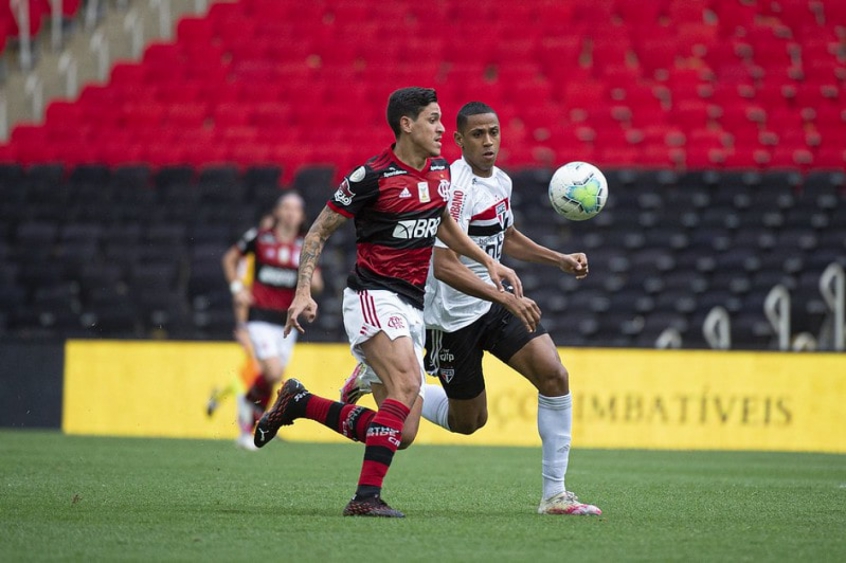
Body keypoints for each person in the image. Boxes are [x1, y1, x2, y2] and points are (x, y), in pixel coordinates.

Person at [252, 87, 522, 518]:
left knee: (403, 430)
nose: (440, 129)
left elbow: (444, 227)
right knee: (407, 385)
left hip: (412, 307)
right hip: (373, 295)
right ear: (406, 125)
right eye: (433, 120)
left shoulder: (439, 169)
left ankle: (300, 403)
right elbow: (318, 232)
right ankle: (365, 498)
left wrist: (489, 262)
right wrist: (302, 291)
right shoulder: (370, 177)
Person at [341, 101, 602, 516]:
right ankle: (380, 378)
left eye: (494, 132)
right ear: (459, 139)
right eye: (477, 134)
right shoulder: (453, 186)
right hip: (449, 320)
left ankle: (555, 495)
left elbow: (507, 234)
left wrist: (559, 259)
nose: (488, 142)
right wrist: (505, 296)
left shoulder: (501, 181)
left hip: (492, 306)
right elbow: (442, 265)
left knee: (554, 374)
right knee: (469, 421)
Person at [221, 194, 323, 450]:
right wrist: (236, 288)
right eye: (286, 208)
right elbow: (229, 259)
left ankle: (249, 420)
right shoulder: (260, 237)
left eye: (296, 209)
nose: (290, 213)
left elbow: (316, 280)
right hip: (259, 317)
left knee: (272, 377)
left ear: (301, 215)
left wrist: (310, 290)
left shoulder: (304, 245)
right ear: (278, 212)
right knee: (274, 371)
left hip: (287, 322)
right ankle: (253, 418)